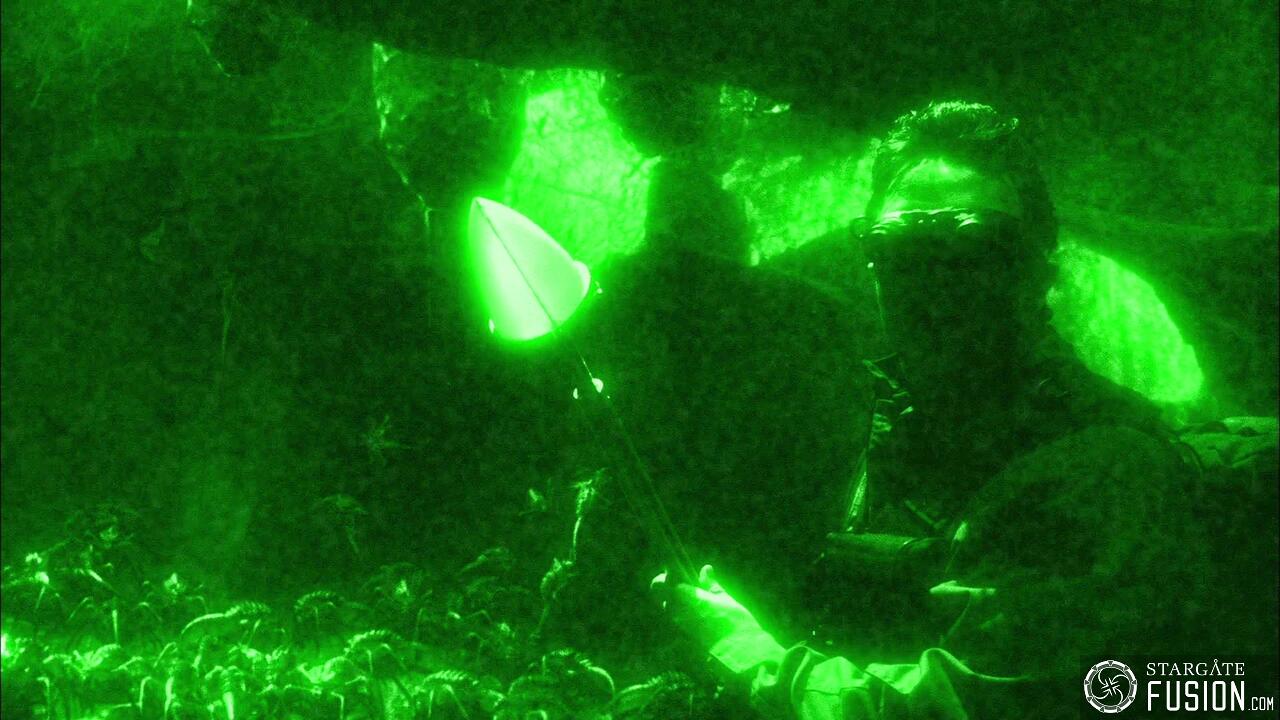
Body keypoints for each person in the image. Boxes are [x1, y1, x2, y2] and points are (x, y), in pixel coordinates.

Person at [652, 101, 1266, 718]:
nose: (935, 280)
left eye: (974, 245)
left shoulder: (1103, 465)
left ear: (1039, 268)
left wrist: (750, 655)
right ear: (872, 265)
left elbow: (973, 704)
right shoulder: (880, 425)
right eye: (901, 246)